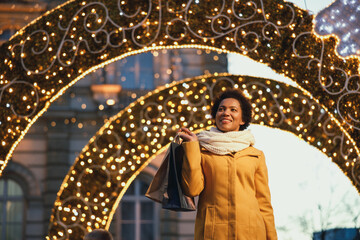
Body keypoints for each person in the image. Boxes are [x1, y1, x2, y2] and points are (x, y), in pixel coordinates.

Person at [178, 89, 277, 240]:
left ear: (242, 119)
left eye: (233, 110)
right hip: (214, 233)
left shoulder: (256, 155)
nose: (225, 113)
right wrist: (192, 147)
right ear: (215, 116)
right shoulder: (201, 150)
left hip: (252, 233)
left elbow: (264, 204)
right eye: (221, 109)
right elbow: (192, 189)